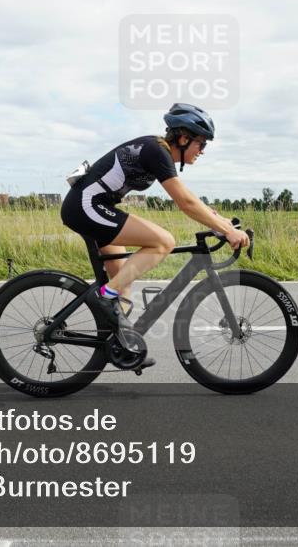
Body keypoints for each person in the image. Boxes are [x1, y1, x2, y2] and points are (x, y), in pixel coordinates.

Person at [60, 103, 250, 362]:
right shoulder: (156, 150)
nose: (202, 150)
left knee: (123, 281)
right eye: (201, 143)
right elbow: (185, 203)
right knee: (163, 242)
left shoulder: (159, 152)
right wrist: (225, 230)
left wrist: (221, 222)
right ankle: (103, 297)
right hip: (85, 206)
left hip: (94, 206)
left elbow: (189, 197)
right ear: (183, 138)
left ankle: (122, 346)